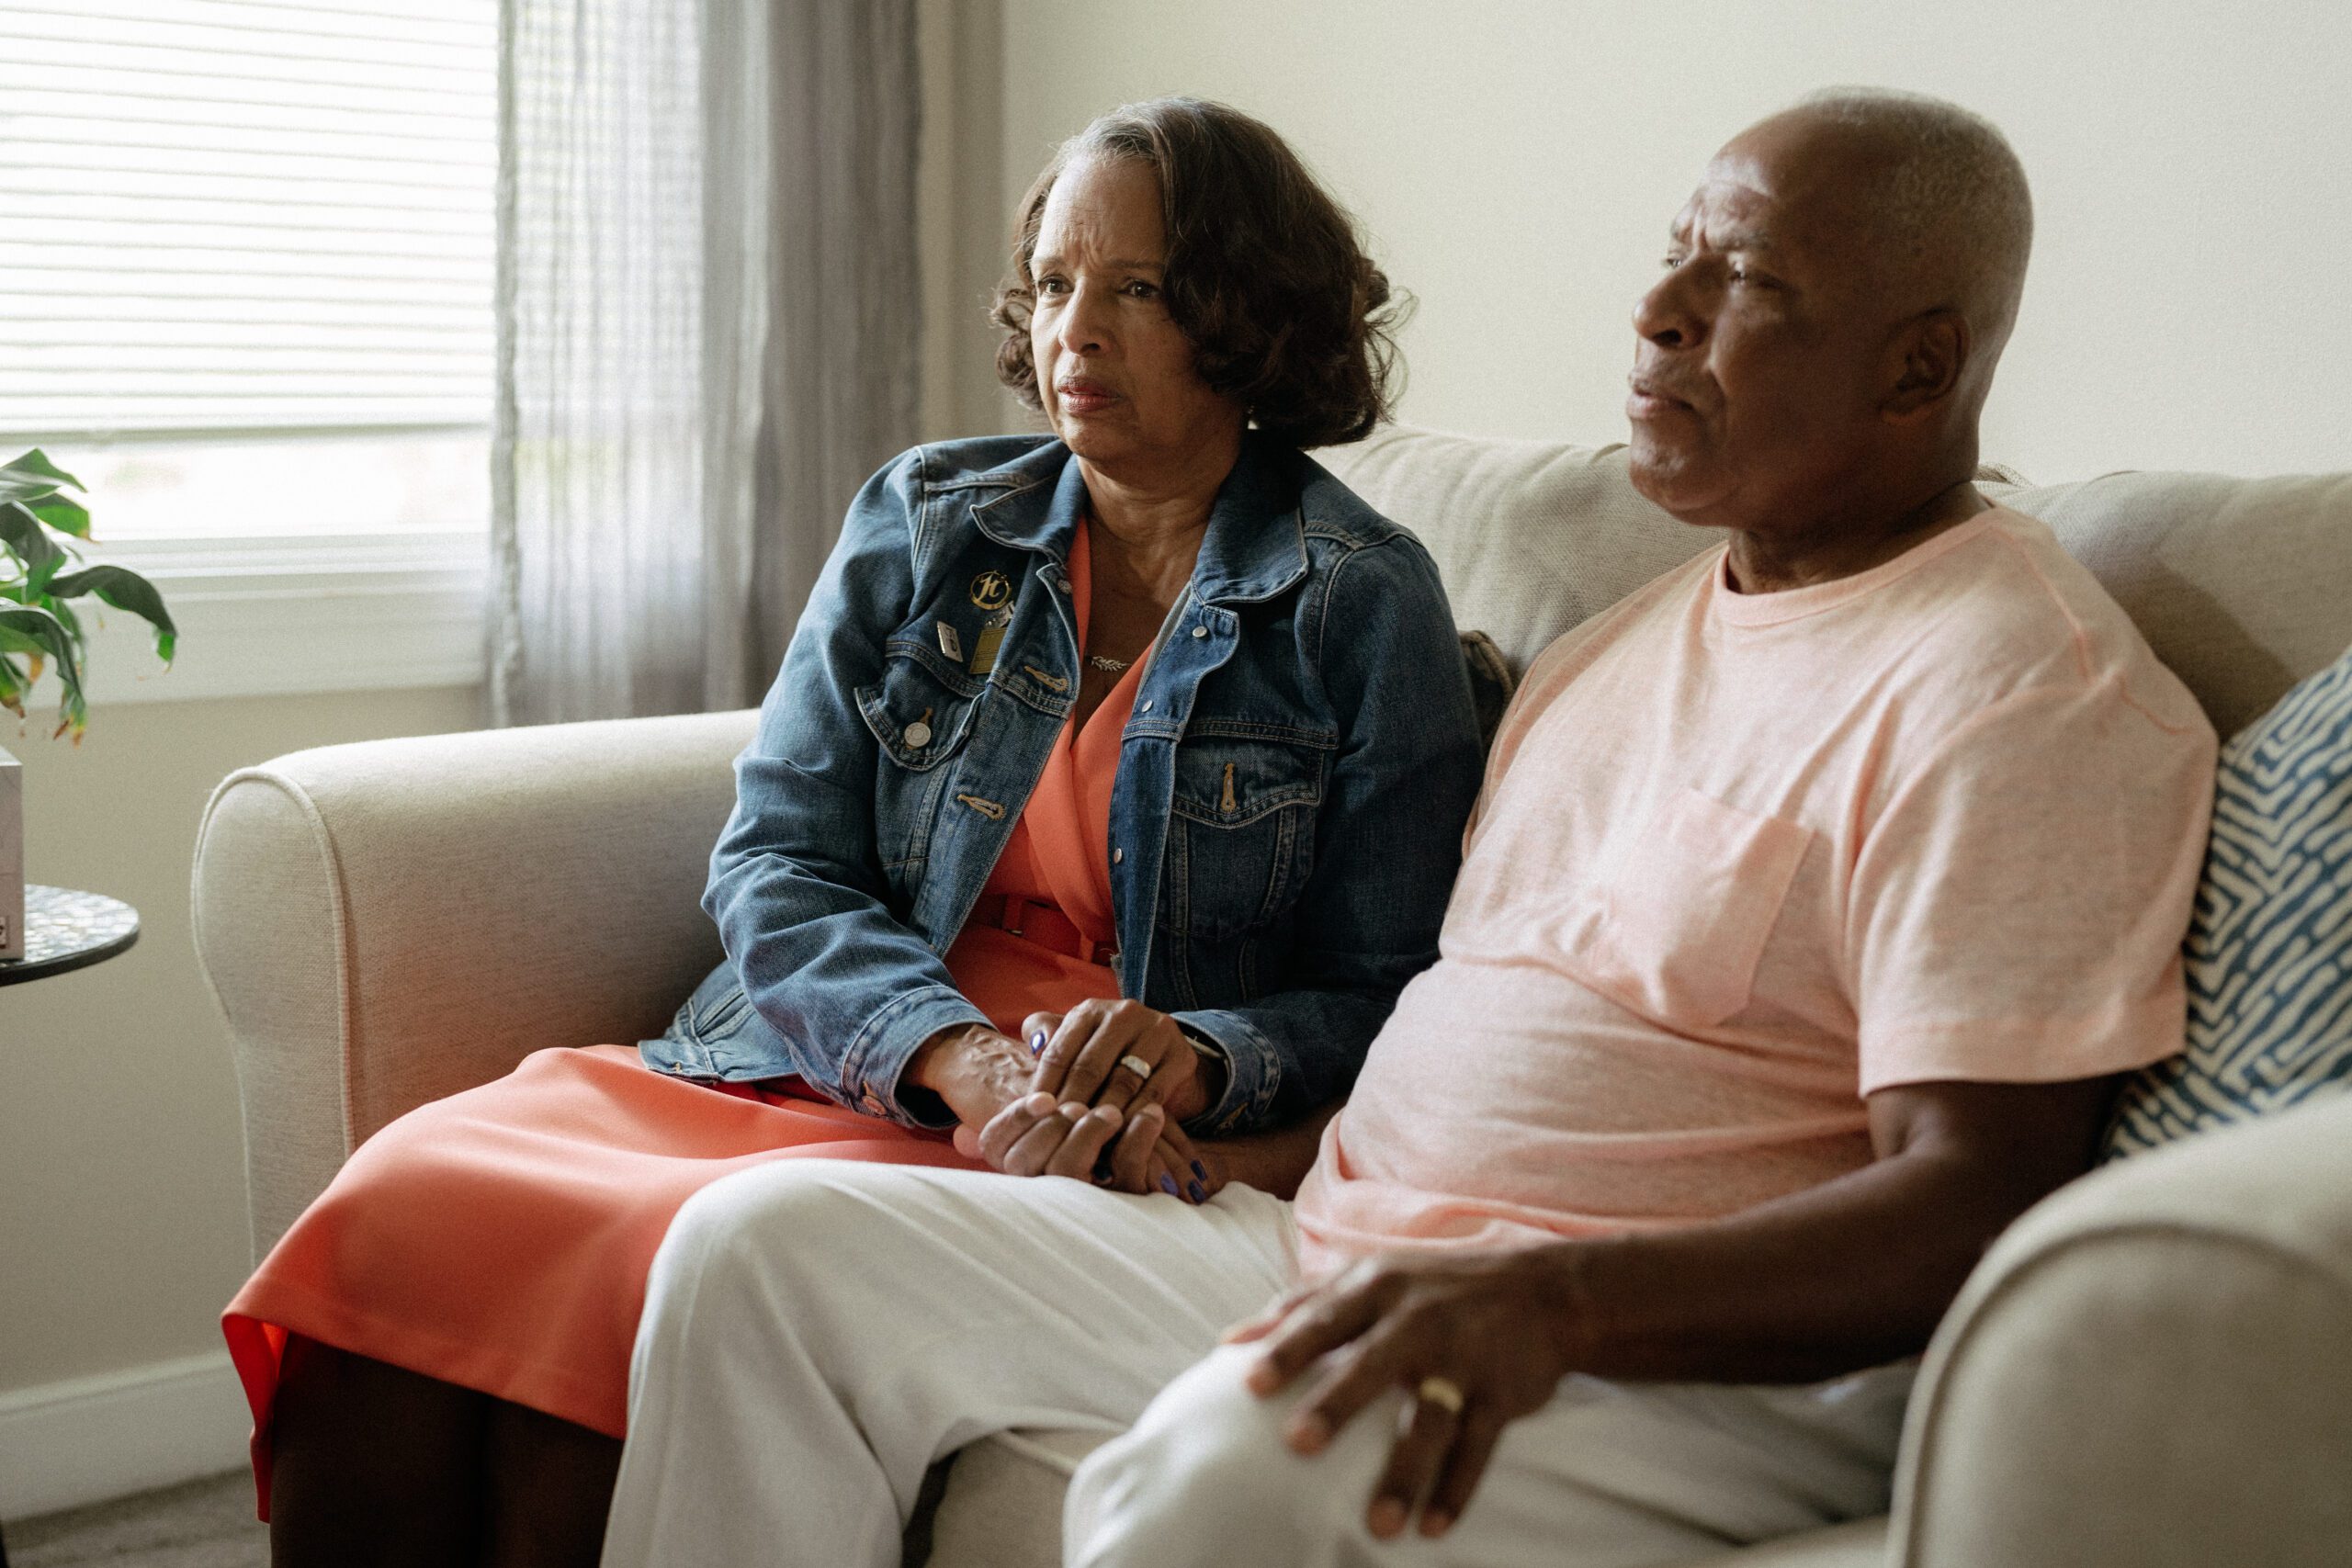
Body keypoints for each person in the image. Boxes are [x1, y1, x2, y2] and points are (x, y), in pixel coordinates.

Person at [598, 88, 2220, 1568]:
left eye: (1749, 287)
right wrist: (1201, 1154)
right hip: (1327, 1240)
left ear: (1918, 365)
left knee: (1236, 1474)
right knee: (765, 1257)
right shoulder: (1619, 650)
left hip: (1676, 1361)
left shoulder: (2019, 689)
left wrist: (1554, 1295)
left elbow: (1980, 1201)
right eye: (1673, 263)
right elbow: (1434, 1035)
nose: (1658, 316)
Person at [221, 96, 1483, 1568]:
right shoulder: (931, 516)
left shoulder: (1356, 598)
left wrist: (1206, 1057)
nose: (1077, 331)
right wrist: (948, 1053)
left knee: (634, 1300)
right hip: (828, 1050)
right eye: (1057, 284)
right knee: (410, 1201)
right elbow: (775, 856)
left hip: (1042, 1148)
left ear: (1247, 316)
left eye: (1135, 290)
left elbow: (1396, 988)